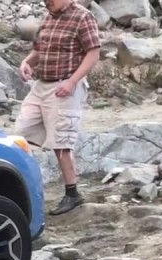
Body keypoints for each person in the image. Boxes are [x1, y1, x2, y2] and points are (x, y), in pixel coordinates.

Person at [15, 0, 101, 216]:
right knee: (20, 137)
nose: (47, 2)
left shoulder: (83, 17)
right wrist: (27, 63)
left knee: (61, 143)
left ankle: (72, 194)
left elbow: (93, 53)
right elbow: (39, 51)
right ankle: (20, 189)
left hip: (65, 86)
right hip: (41, 86)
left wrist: (72, 82)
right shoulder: (48, 17)